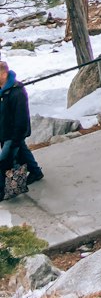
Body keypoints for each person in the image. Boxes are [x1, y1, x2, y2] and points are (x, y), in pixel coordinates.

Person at [0, 61, 44, 197]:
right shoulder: (3, 90)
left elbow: (21, 119)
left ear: (4, 74)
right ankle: (36, 172)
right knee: (23, 152)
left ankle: (3, 192)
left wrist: (16, 140)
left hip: (12, 134)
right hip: (4, 132)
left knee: (4, 162)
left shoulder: (17, 92)